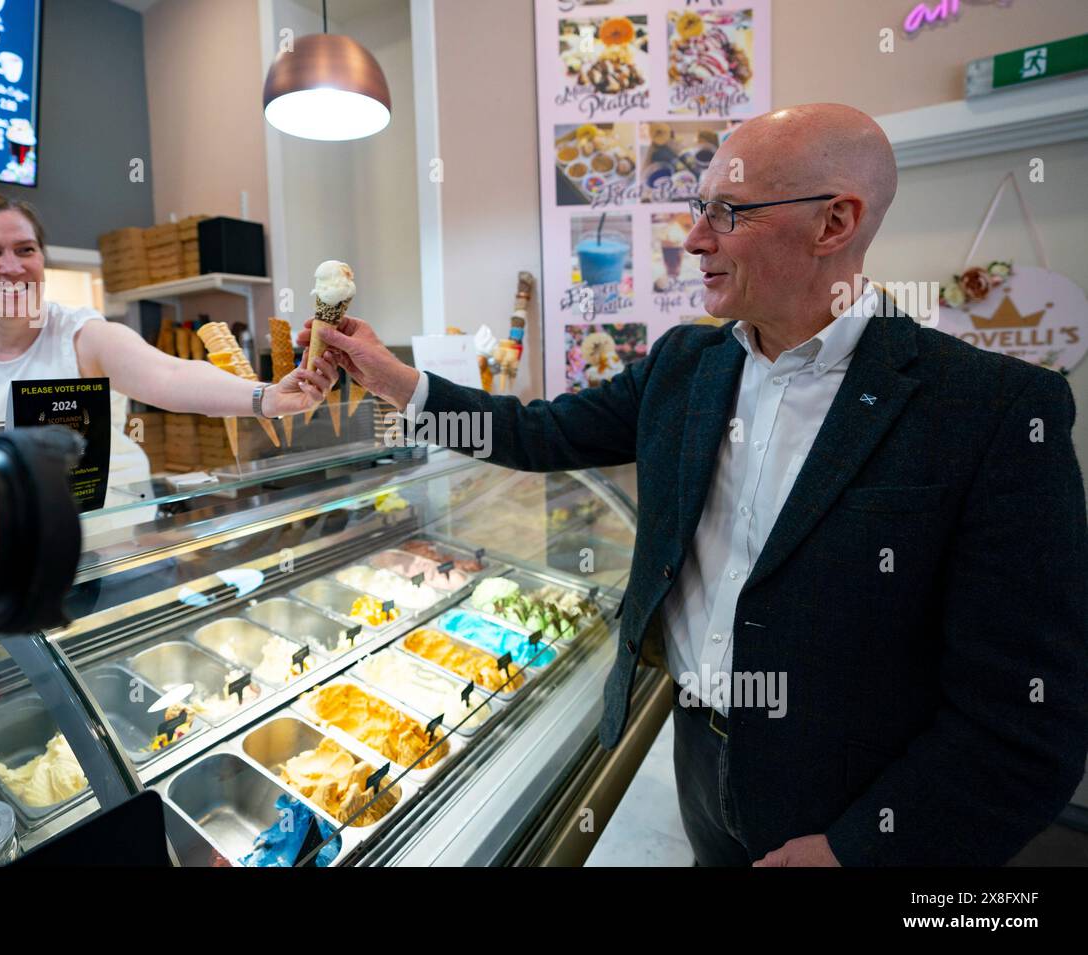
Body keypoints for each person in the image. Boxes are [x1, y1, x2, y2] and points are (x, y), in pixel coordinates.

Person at [301, 103, 1088, 867]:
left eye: (728, 213)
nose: (694, 237)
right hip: (694, 757)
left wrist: (861, 850)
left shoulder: (991, 410)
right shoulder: (687, 365)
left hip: (848, 802)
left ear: (835, 224)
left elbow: (1026, 721)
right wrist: (400, 384)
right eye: (697, 208)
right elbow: (535, 433)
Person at [0, 190, 336, 495]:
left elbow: (169, 375)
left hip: (110, 549)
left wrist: (267, 397)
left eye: (26, 250)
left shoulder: (84, 336)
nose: (12, 267)